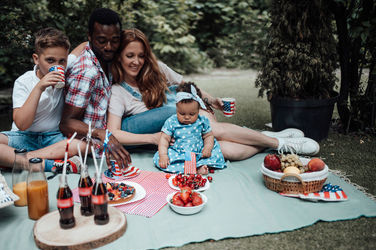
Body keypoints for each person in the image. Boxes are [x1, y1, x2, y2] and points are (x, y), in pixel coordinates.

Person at [107, 28, 320, 160]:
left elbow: (187, 86)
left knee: (211, 128)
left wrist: (212, 101)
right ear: (119, 57)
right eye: (130, 55)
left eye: (141, 55)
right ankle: (266, 140)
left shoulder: (157, 69)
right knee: (229, 152)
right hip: (174, 137)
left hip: (192, 121)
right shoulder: (118, 92)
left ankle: (281, 144)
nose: (136, 61)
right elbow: (114, 133)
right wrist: (153, 138)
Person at [0, 27, 80, 172]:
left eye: (62, 61)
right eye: (50, 60)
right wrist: (39, 87)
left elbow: (84, 46)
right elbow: (22, 124)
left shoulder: (64, 66)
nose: (57, 65)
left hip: (53, 139)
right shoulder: (23, 81)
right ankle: (48, 165)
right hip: (24, 137)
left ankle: (19, 160)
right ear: (36, 59)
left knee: (81, 145)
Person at [60, 8, 133, 169]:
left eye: (114, 40)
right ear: (90, 37)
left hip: (114, 123)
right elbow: (66, 123)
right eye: (101, 41)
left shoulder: (105, 58)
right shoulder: (87, 72)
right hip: (95, 140)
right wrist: (101, 133)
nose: (109, 47)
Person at [154, 82, 226, 174]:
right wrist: (163, 155)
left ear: (198, 109)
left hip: (198, 152)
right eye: (182, 113)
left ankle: (197, 166)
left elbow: (208, 136)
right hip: (179, 153)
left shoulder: (202, 120)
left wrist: (207, 148)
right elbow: (164, 139)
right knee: (166, 161)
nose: (187, 117)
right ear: (176, 108)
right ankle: (195, 169)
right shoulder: (172, 121)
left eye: (192, 114)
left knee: (213, 153)